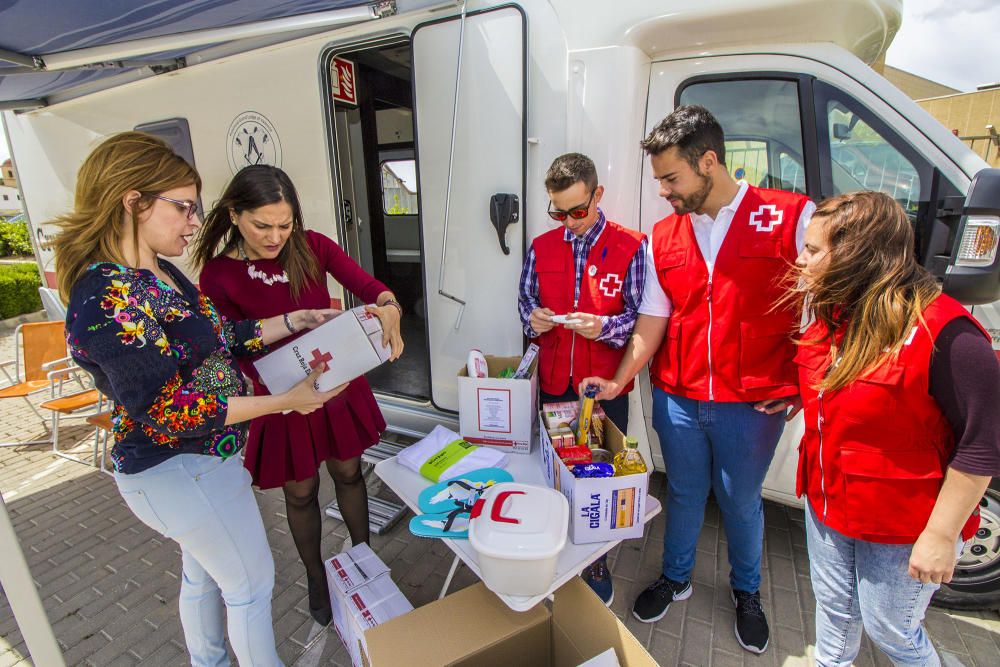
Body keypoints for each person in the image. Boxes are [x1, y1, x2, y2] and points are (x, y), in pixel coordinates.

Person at [57, 132, 346, 667]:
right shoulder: (107, 295)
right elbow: (171, 409)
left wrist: (295, 320)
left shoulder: (158, 274)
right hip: (177, 467)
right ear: (133, 201)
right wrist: (286, 401)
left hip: (204, 463)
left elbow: (220, 338)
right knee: (252, 586)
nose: (194, 222)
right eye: (183, 207)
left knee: (205, 577)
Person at [582, 105, 815, 653]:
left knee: (740, 500)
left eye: (670, 177)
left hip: (752, 404)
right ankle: (677, 576)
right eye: (659, 178)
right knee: (684, 493)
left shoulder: (791, 216)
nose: (662, 190)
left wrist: (805, 384)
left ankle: (747, 592)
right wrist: (620, 381)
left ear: (709, 161)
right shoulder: (664, 235)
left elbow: (824, 309)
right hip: (679, 398)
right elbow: (654, 319)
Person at [789, 191, 1000, 667]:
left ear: (858, 255)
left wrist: (942, 536)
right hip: (828, 504)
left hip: (901, 527)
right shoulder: (833, 311)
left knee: (891, 630)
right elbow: (829, 381)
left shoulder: (947, 333)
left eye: (814, 251)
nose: (800, 261)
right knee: (834, 613)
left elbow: (982, 447)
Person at [193, 165, 403, 627]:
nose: (275, 237)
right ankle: (315, 576)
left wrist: (389, 305)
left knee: (350, 473)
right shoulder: (218, 275)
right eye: (262, 225)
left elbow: (367, 286)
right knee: (302, 490)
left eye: (285, 225)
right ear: (234, 214)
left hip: (338, 383)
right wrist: (277, 382)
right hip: (282, 396)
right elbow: (229, 345)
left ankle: (363, 560)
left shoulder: (314, 247)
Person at [517, 152, 647, 605]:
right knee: (553, 472)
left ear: (598, 195)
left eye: (578, 210)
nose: (569, 220)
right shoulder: (540, 247)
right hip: (554, 382)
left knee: (599, 476)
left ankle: (595, 558)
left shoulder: (632, 245)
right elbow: (524, 305)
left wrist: (603, 327)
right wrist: (535, 321)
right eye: (558, 211)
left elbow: (642, 321)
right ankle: (552, 543)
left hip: (604, 387)